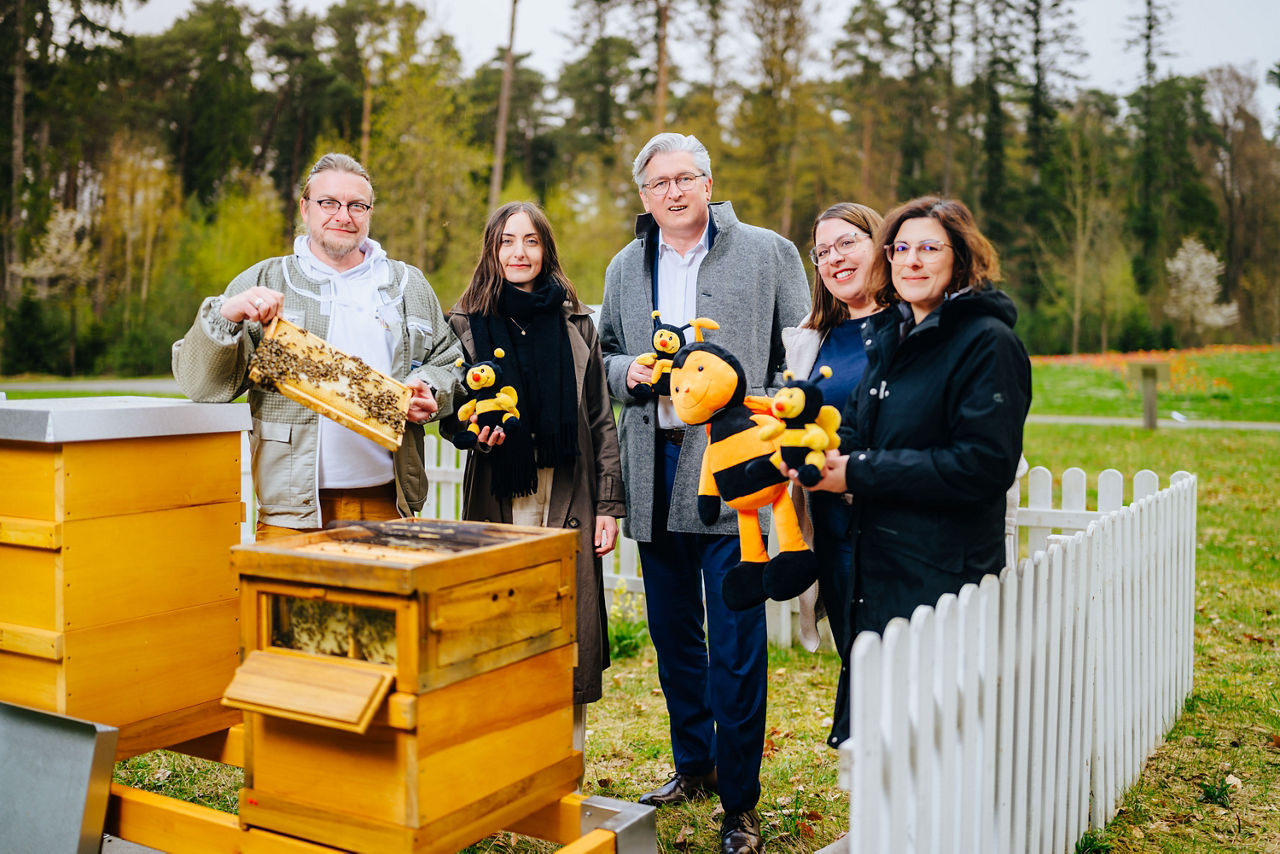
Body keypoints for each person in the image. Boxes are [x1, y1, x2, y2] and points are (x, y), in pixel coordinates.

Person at [598, 132, 809, 854]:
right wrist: (626, 370)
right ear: (644, 196)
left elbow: (802, 355)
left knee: (738, 644)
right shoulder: (626, 266)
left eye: (685, 178)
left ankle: (741, 805)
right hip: (653, 470)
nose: (673, 192)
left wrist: (768, 418)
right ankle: (694, 766)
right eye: (658, 184)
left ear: (710, 183)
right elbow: (602, 354)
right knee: (675, 638)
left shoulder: (769, 252)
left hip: (733, 472)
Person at [172, 153, 462, 539]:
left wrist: (431, 389)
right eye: (329, 203)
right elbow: (201, 386)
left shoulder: (408, 284)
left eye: (356, 205)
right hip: (291, 513)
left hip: (389, 503)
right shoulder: (264, 279)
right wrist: (227, 314)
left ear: (369, 212)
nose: (343, 215)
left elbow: (449, 361)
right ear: (306, 209)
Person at [789, 196, 1031, 641]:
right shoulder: (891, 339)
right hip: (871, 550)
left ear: (961, 257)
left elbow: (983, 464)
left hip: (941, 560)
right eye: (901, 250)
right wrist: (806, 452)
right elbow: (856, 428)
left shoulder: (985, 342)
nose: (912, 261)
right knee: (865, 690)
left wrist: (857, 471)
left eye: (929, 249)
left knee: (932, 700)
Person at [440, 201, 625, 749]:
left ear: (546, 250)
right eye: (506, 242)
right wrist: (474, 435)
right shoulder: (463, 325)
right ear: (491, 251)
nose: (518, 253)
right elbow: (453, 413)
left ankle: (563, 756)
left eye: (530, 241)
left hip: (569, 491)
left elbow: (599, 417)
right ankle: (500, 750)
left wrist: (610, 506)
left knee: (565, 618)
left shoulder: (576, 322)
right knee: (499, 615)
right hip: (499, 489)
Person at [781, 201, 883, 750]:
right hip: (834, 530)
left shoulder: (909, 324)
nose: (834, 258)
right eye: (822, 251)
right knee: (856, 651)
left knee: (896, 662)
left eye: (847, 242)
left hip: (894, 524)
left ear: (879, 242)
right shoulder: (812, 336)